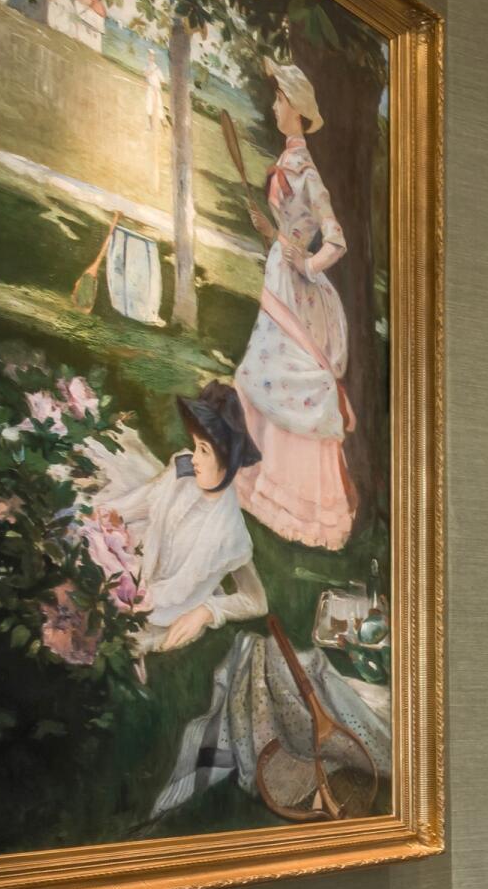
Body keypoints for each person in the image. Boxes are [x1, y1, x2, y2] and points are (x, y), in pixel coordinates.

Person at [230, 59, 355, 549]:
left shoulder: (306, 172)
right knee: (261, 373)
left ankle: (293, 500)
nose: (274, 107)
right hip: (279, 278)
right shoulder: (287, 161)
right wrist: (274, 234)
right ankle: (255, 477)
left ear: (297, 108)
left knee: (282, 378)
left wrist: (304, 261)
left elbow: (336, 241)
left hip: (295, 287)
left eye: (280, 99)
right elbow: (289, 229)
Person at [78, 384, 268, 660]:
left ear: (227, 460)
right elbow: (143, 503)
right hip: (142, 554)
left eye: (204, 450)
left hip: (162, 602)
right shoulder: (183, 473)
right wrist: (100, 514)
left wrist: (207, 612)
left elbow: (256, 600)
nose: (195, 458)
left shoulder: (228, 533)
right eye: (196, 446)